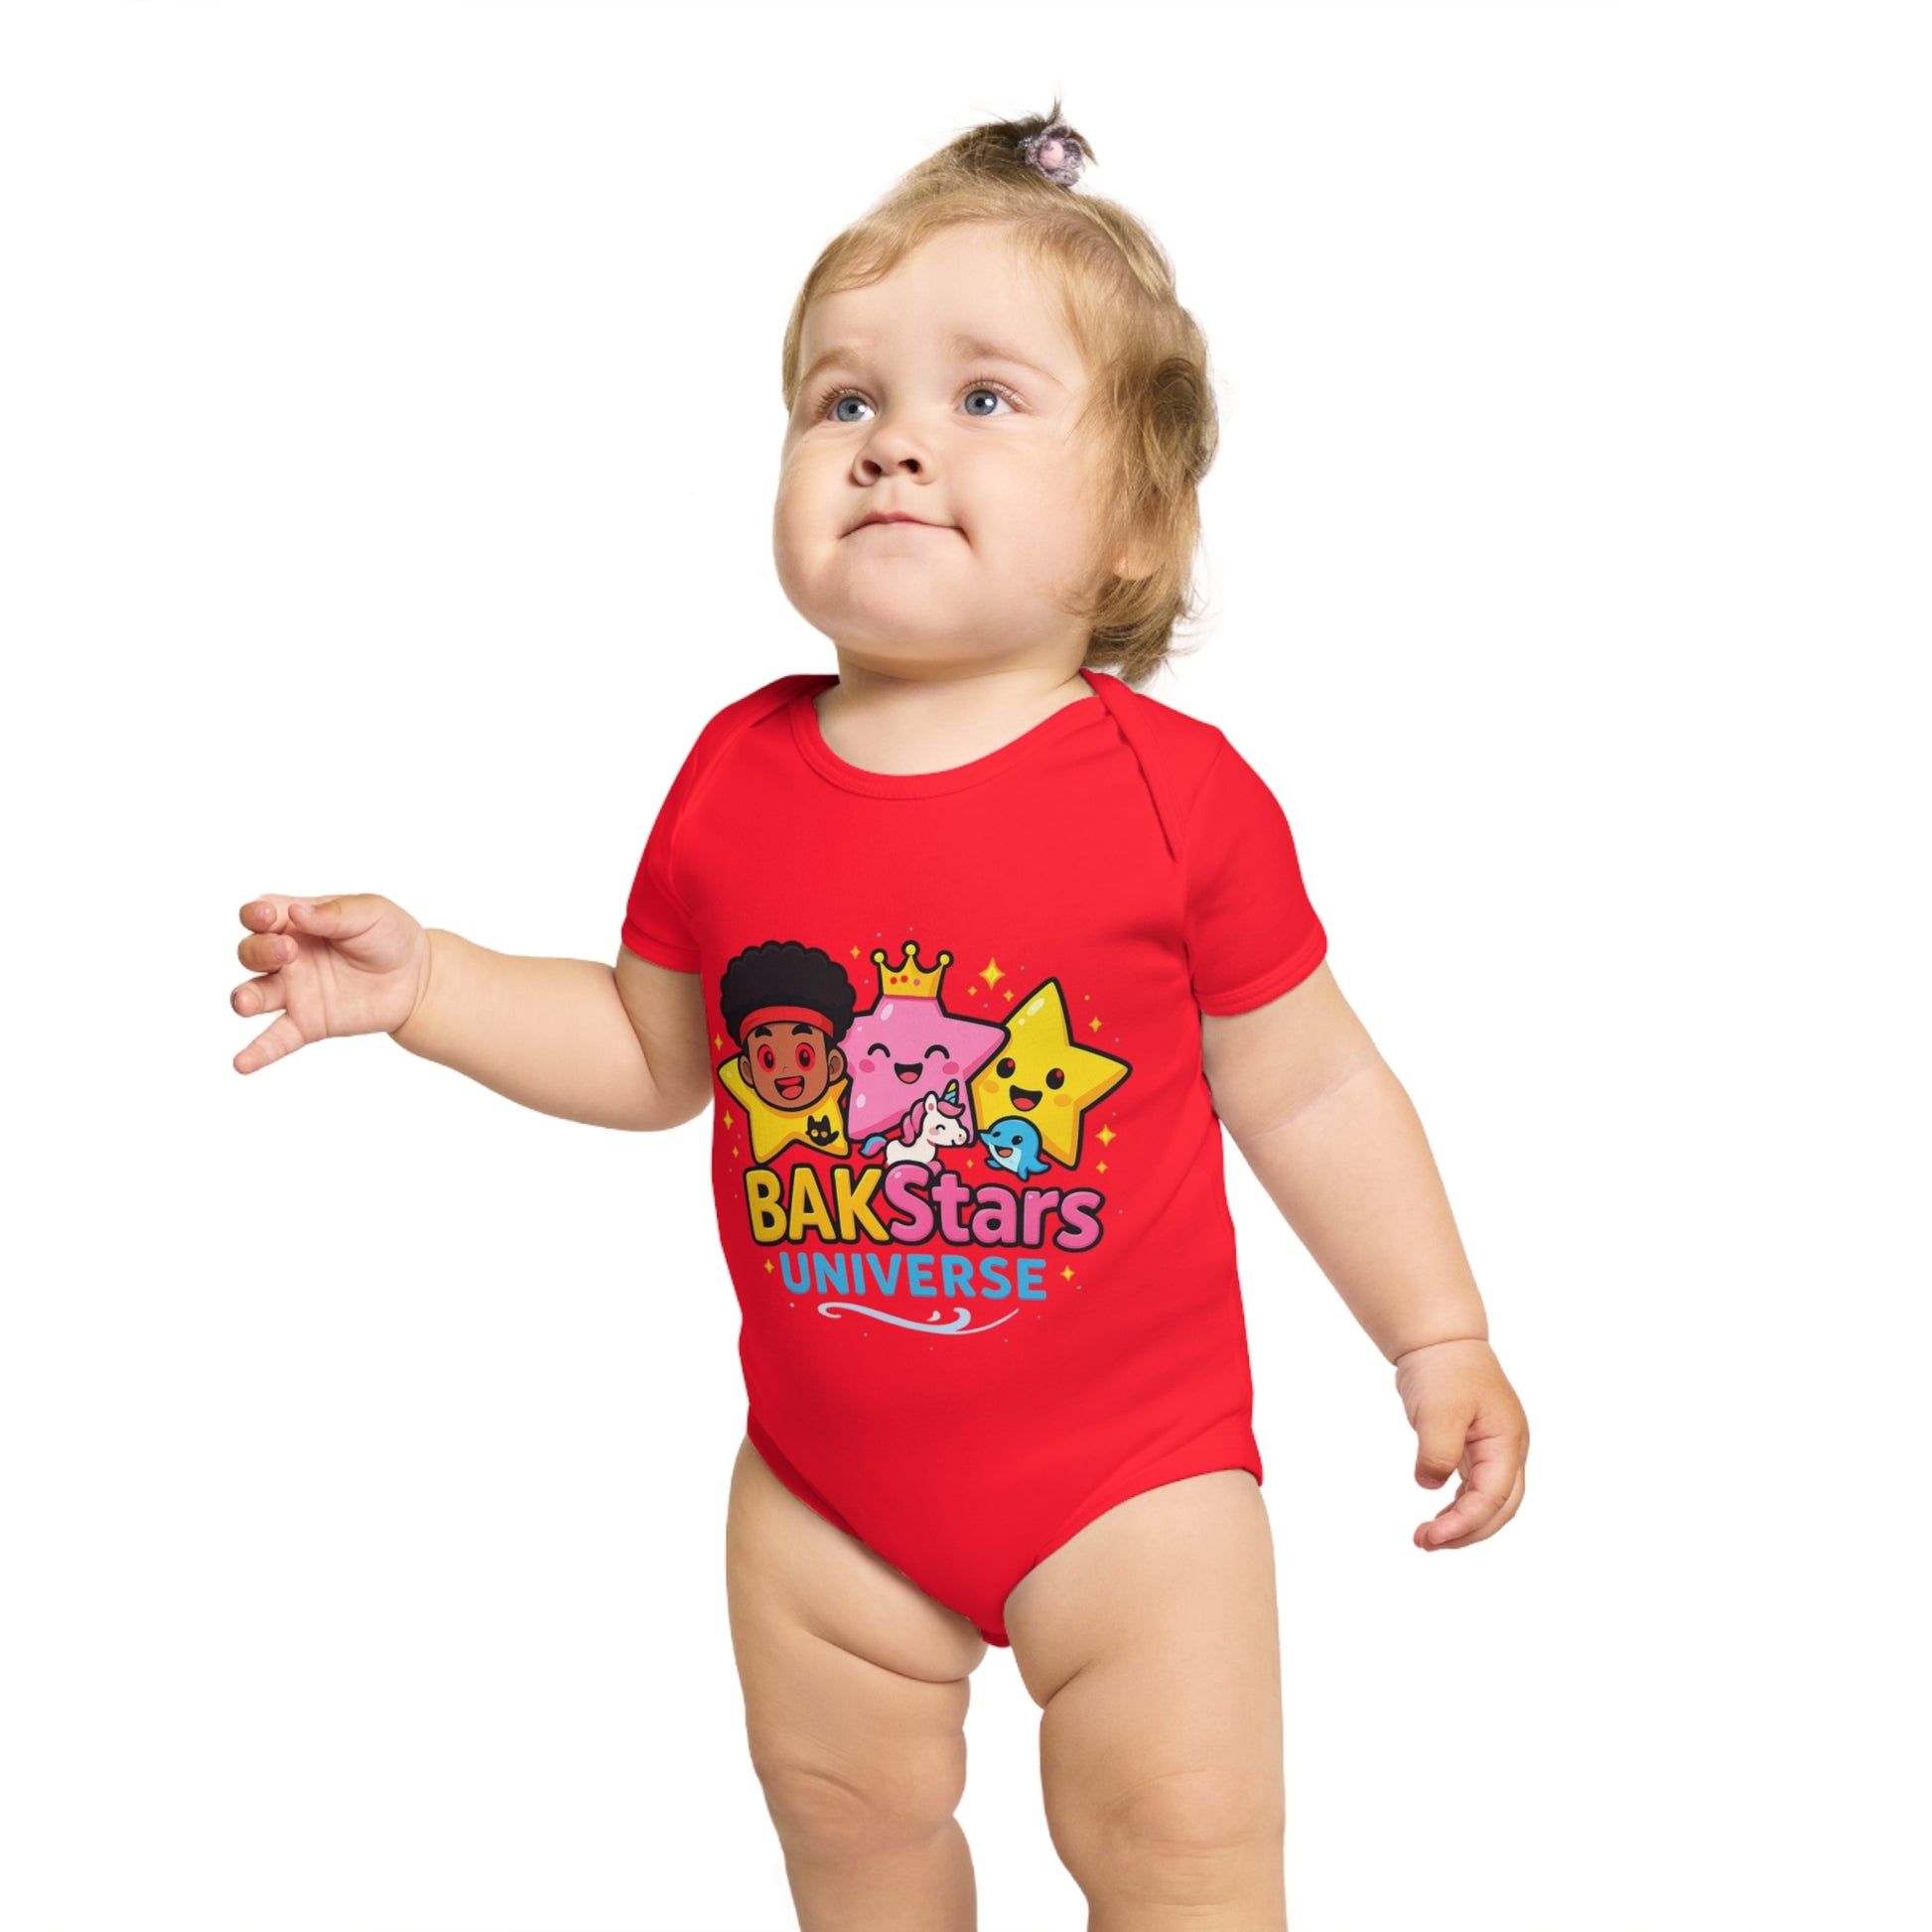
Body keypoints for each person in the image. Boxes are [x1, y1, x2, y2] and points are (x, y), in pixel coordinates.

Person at [231, 100, 1529, 1932]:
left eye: (983, 397)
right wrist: (432, 982)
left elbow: (1309, 1087)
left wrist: (1435, 1331)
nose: (893, 439)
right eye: (842, 400)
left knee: (1183, 1850)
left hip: (1134, 1485)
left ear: (1138, 521)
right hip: (824, 1490)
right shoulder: (734, 776)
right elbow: (653, 1052)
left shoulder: (1178, 795)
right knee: (851, 1842)